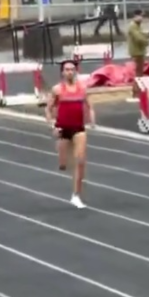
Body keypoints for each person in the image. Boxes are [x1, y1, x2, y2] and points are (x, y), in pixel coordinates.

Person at [45, 60, 94, 208]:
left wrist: (92, 120)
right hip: (62, 128)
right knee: (63, 164)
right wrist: (52, 125)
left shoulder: (83, 89)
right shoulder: (57, 90)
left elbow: (89, 106)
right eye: (67, 70)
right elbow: (48, 109)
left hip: (78, 128)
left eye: (72, 69)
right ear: (62, 72)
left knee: (80, 162)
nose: (70, 72)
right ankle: (62, 160)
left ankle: (76, 195)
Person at [127, 10, 149, 103]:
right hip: (137, 52)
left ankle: (138, 92)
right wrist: (146, 40)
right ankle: (136, 93)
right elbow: (139, 38)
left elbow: (142, 36)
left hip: (139, 52)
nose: (142, 18)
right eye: (140, 16)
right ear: (135, 16)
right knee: (138, 74)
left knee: (140, 73)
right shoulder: (133, 26)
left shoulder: (137, 26)